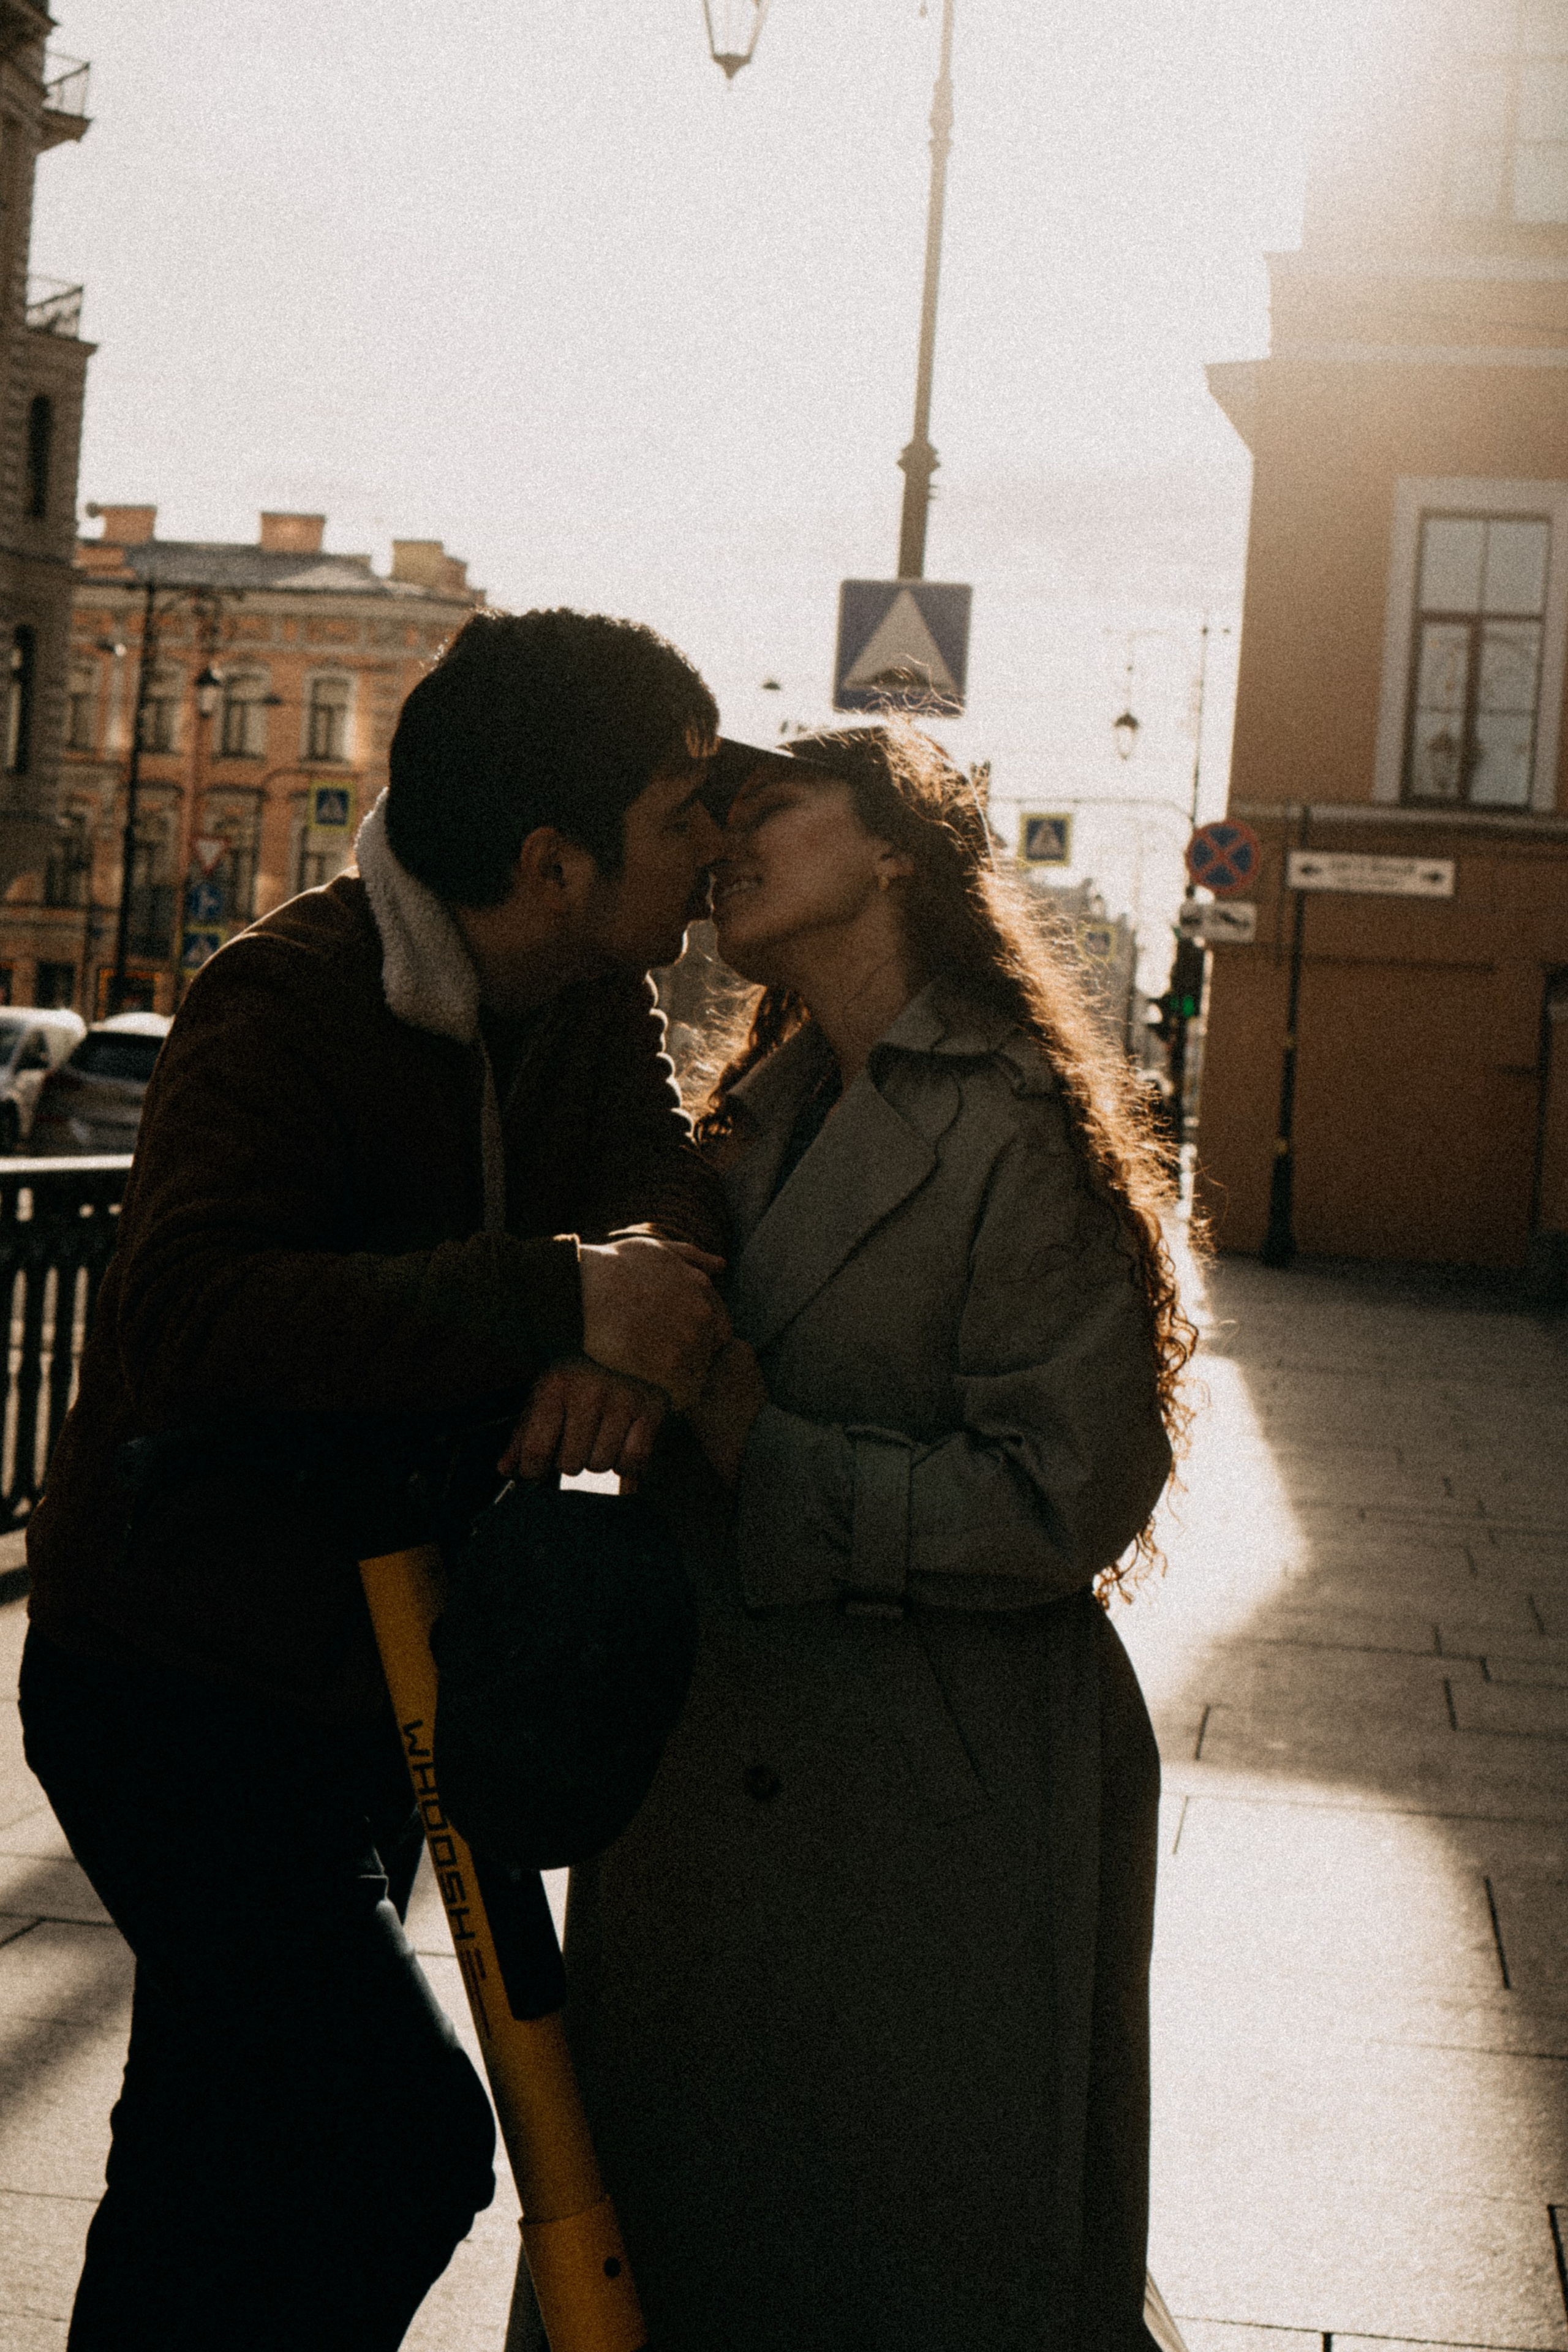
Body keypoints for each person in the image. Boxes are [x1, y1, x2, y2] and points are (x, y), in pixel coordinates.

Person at [18, 608, 734, 2351]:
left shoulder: (588, 999)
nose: (714, 847)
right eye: (685, 807)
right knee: (396, 2139)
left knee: (207, 2148)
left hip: (374, 1679)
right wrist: (560, 1295)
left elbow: (671, 1206)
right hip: (176, 1684)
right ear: (554, 862)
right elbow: (190, 1313)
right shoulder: (287, 997)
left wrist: (616, 1310)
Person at [557, 723, 1196, 2352]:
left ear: (897, 849)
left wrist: (761, 1447)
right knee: (680, 2246)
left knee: (904, 2253)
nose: (729, 835)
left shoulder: (1018, 1121)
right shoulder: (747, 1116)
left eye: (773, 805)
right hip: (714, 1777)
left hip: (933, 1800)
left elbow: (1068, 1498)